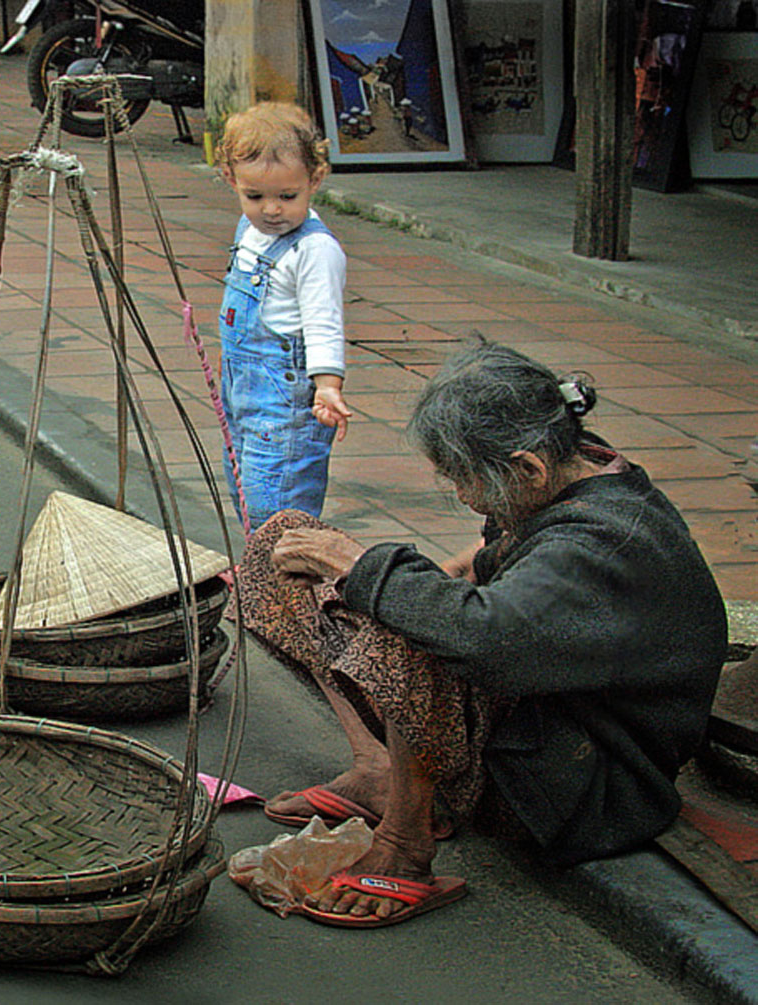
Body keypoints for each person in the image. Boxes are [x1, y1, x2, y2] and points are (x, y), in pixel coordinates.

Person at [238, 341, 726, 927]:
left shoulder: (602, 543)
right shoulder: (572, 473)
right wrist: (420, 575)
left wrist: (363, 565)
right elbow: (488, 564)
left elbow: (481, 638)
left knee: (413, 631)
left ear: (528, 468)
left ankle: (405, 845)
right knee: (283, 543)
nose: (464, 496)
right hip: (531, 722)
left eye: (463, 480)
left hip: (580, 788)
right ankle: (379, 773)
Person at [215, 102, 352, 531]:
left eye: (287, 197)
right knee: (246, 490)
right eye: (255, 196)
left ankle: (287, 588)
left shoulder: (314, 250)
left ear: (314, 180)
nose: (271, 210)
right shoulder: (250, 229)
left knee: (277, 504)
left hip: (285, 404)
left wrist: (327, 384)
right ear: (231, 180)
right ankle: (263, 577)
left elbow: (324, 321)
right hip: (242, 394)